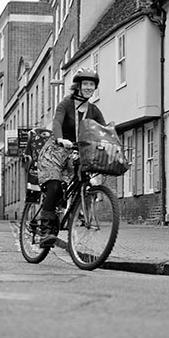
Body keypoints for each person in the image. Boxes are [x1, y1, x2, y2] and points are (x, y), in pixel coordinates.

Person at [36, 68, 105, 247]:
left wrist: (111, 144)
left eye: (92, 84)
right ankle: (45, 231)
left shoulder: (94, 110)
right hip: (57, 150)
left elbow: (104, 131)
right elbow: (57, 122)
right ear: (78, 86)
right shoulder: (66, 104)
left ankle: (70, 213)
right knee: (54, 186)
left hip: (76, 152)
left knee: (79, 181)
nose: (89, 87)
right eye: (86, 84)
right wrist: (60, 138)